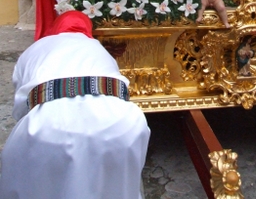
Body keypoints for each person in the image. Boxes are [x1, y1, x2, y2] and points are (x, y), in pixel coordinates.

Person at [0, 11, 150, 199]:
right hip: (119, 123)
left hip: (47, 124)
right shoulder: (100, 49)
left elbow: (22, 102)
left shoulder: (36, 48)